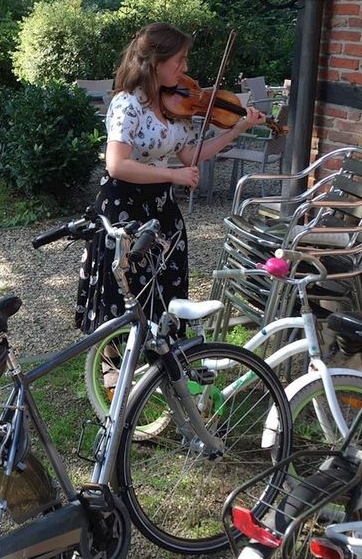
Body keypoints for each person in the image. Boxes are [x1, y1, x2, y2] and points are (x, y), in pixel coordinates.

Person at [76, 23, 267, 338]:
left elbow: (190, 157)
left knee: (166, 280)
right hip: (124, 204)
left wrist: (238, 128)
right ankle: (112, 365)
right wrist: (171, 175)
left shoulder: (175, 106)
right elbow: (117, 164)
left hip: (161, 207)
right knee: (122, 285)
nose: (185, 68)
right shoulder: (128, 103)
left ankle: (162, 356)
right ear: (155, 61)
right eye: (179, 60)